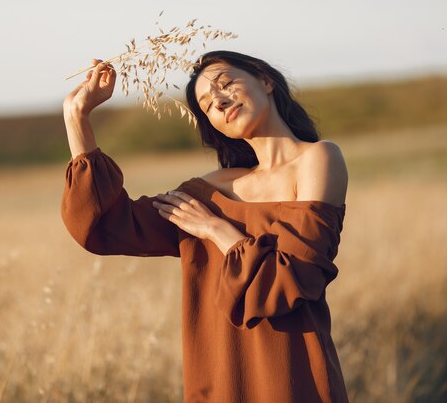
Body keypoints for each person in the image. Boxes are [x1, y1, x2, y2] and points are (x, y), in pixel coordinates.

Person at [61, 50, 349, 403]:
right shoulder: (207, 191)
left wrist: (216, 230)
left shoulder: (318, 159)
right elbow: (105, 225)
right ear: (213, 124)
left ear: (265, 81)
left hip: (293, 378)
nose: (221, 99)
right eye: (209, 104)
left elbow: (288, 281)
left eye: (226, 83)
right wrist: (78, 119)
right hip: (219, 380)